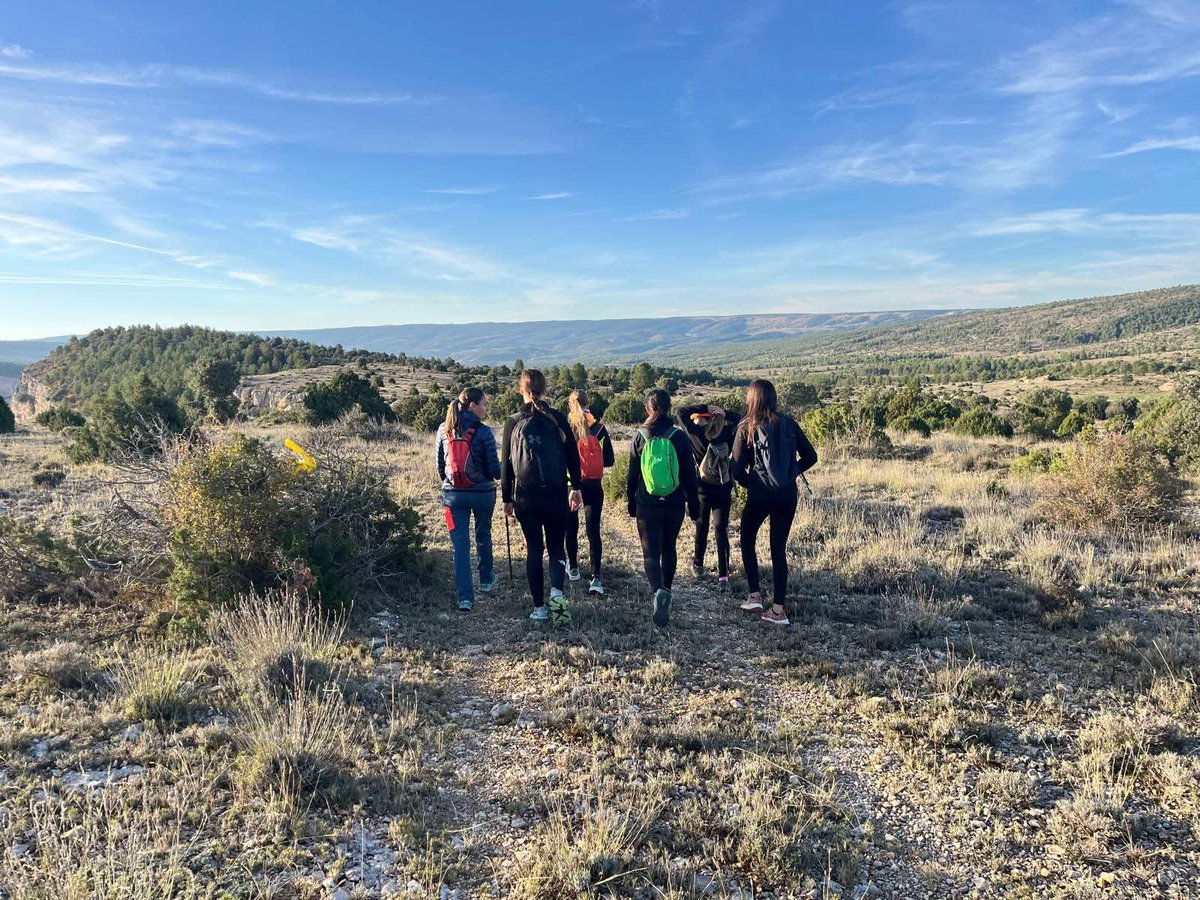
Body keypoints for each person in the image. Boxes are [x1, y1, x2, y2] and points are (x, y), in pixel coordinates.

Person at [731, 379, 818, 626]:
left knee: (747, 540)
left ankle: (754, 595)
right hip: (787, 494)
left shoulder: (746, 427)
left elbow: (736, 468)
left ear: (752, 399)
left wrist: (751, 482)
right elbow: (811, 456)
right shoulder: (790, 423)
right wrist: (791, 472)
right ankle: (778, 610)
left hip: (759, 494)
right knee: (778, 551)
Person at [500, 370, 583, 625]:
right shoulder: (558, 418)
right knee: (557, 547)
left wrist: (507, 498)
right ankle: (557, 594)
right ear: (544, 390)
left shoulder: (513, 421)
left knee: (534, 549)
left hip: (526, 496)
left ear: (521, 390)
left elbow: (506, 465)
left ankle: (539, 608)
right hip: (556, 493)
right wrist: (576, 488)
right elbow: (572, 458)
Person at [626, 389, 699, 627]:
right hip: (674, 502)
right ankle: (666, 590)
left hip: (647, 503)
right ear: (669, 408)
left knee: (650, 553)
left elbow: (632, 475)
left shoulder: (640, 436)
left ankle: (657, 592)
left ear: (648, 408)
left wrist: (631, 500)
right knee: (669, 547)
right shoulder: (679, 436)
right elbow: (690, 474)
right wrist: (694, 505)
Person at [436, 388, 502, 612]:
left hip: (452, 498)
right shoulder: (484, 432)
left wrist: (451, 484)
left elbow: (440, 467)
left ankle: (465, 597)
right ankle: (485, 580)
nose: (486, 408)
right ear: (472, 406)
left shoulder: (443, 430)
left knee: (460, 545)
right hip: (484, 496)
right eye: (484, 404)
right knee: (484, 534)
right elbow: (495, 471)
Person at [677, 401, 738, 592]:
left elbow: (681, 411)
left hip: (702, 487)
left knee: (701, 526)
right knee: (721, 530)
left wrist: (705, 407)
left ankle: (698, 565)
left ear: (704, 418)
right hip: (723, 487)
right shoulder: (727, 433)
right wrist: (722, 412)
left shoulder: (696, 435)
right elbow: (742, 418)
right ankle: (724, 576)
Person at [565, 389, 614, 595]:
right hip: (594, 484)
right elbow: (610, 460)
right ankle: (596, 578)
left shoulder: (567, 428)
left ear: (570, 405)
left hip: (570, 485)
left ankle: (574, 568)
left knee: (571, 528)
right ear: (588, 403)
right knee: (593, 532)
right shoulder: (600, 428)